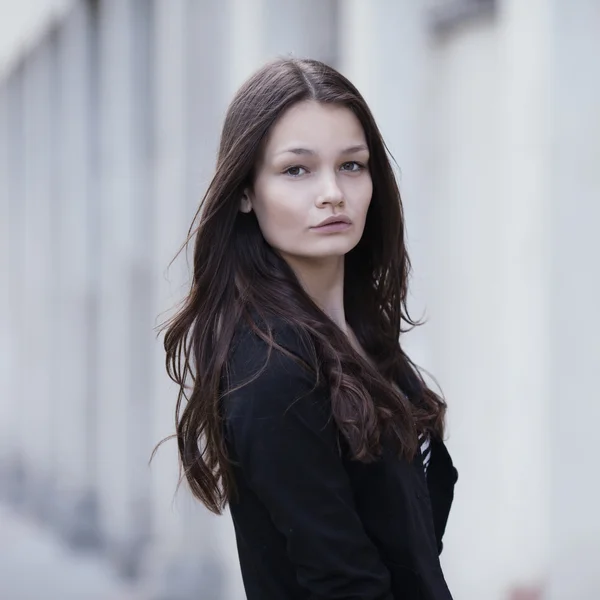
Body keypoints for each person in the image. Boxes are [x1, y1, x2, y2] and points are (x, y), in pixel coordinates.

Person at [161, 57, 458, 600]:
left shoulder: (363, 339)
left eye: (351, 165)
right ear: (246, 191)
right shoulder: (272, 366)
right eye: (296, 170)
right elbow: (343, 583)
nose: (332, 193)